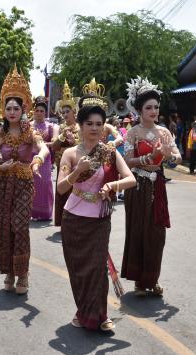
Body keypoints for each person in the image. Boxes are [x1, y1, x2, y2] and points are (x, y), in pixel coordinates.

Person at [57, 94, 136, 331]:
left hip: (99, 219)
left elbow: (130, 179)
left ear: (104, 127)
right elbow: (61, 188)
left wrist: (113, 186)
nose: (94, 128)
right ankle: (83, 312)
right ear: (80, 125)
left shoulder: (109, 152)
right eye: (89, 123)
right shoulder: (70, 154)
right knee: (79, 269)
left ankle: (101, 315)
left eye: (99, 124)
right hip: (73, 217)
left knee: (97, 268)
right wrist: (76, 172)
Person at [0, 66, 49, 294]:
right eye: (8, 108)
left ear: (24, 109)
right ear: (3, 110)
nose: (12, 111)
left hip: (24, 184)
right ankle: (10, 273)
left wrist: (37, 161)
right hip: (3, 185)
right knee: (4, 228)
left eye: (16, 108)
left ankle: (23, 273)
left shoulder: (30, 133)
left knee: (20, 226)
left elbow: (43, 149)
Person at [121, 76, 181, 296]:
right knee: (138, 231)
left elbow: (178, 157)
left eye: (156, 107)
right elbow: (127, 161)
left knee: (157, 234)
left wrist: (168, 157)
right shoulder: (133, 132)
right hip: (138, 186)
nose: (154, 111)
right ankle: (139, 281)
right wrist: (150, 157)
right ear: (139, 110)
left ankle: (152, 279)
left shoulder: (164, 132)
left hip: (158, 188)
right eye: (149, 107)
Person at [51, 80, 81, 226]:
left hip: (76, 165)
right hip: (62, 165)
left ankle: (75, 220)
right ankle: (63, 221)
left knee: (74, 192)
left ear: (74, 112)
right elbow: (55, 147)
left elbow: (82, 146)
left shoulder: (81, 128)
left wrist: (72, 139)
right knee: (62, 190)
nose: (64, 114)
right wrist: (63, 135)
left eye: (67, 111)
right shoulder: (59, 127)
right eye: (63, 112)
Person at [30, 96, 58, 221]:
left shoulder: (50, 126)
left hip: (45, 159)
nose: (39, 113)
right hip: (30, 158)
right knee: (31, 185)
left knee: (45, 184)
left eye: (42, 111)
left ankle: (46, 213)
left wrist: (41, 144)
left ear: (45, 113)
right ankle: (31, 212)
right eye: (37, 110)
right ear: (34, 111)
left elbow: (54, 143)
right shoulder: (28, 126)